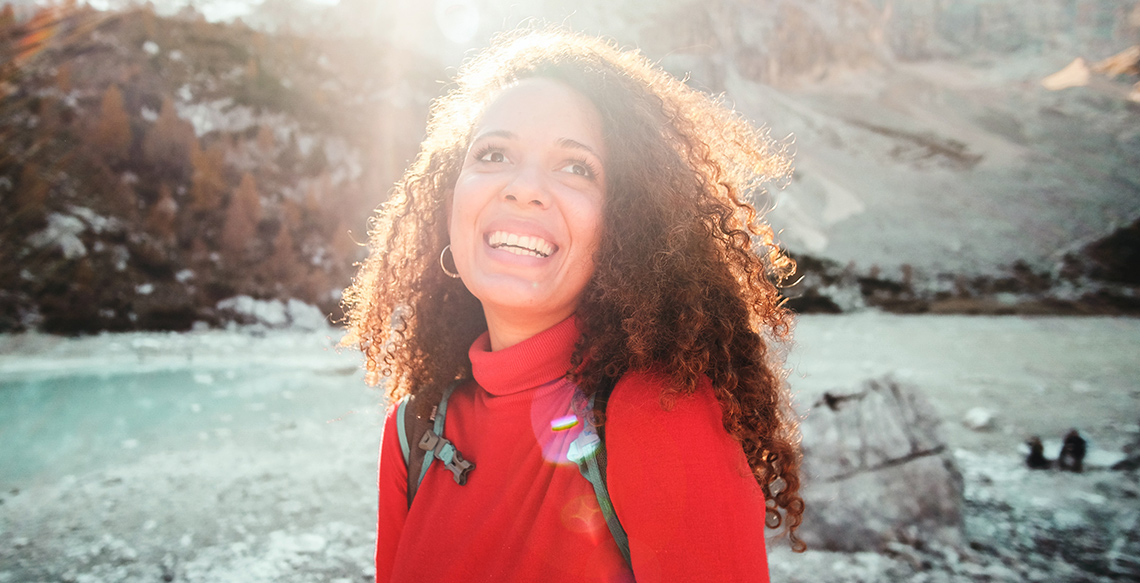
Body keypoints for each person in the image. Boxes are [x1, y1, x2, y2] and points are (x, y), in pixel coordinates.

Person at [342, 28, 804, 583]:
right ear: (449, 200)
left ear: (626, 226)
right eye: (493, 154)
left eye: (576, 167)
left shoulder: (657, 412)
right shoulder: (414, 428)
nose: (524, 188)